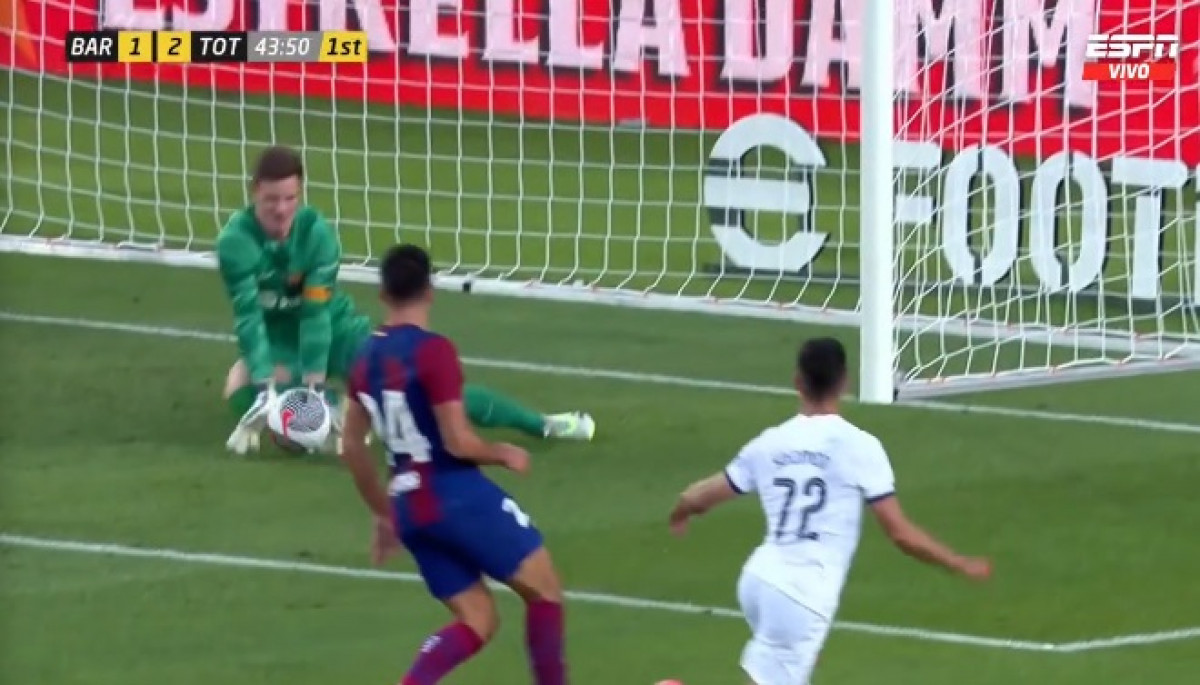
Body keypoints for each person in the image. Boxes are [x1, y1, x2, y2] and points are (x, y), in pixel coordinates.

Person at [216, 145, 595, 454]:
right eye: (271, 199)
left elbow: (315, 315)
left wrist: (311, 391)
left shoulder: (317, 235)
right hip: (281, 343)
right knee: (240, 385)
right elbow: (249, 316)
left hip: (336, 330)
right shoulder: (235, 242)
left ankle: (543, 424)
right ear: (254, 192)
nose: (281, 209)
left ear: (300, 194)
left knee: (427, 397)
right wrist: (265, 388)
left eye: (289, 198)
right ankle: (331, 412)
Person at [668, 337, 991, 685]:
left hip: (759, 579)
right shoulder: (860, 446)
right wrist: (957, 562)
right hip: (802, 592)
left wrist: (682, 510)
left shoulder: (769, 442)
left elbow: (702, 495)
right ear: (844, 382)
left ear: (797, 381)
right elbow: (899, 533)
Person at [338, 243, 568, 685]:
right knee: (544, 590)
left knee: (478, 619)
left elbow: (351, 446)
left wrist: (383, 513)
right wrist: (501, 452)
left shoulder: (363, 359)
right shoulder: (434, 351)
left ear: (383, 294)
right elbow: (457, 441)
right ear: (430, 290)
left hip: (408, 507)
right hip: (452, 494)